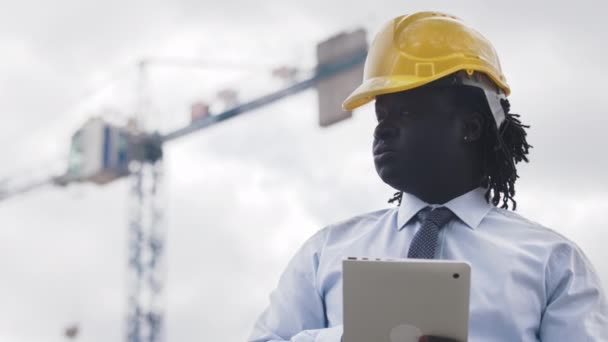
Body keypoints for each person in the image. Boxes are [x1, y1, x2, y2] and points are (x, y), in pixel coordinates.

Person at [248, 11, 608, 342]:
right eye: (381, 116)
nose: (382, 131)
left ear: (470, 126)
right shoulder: (324, 252)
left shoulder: (553, 262)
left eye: (404, 111)